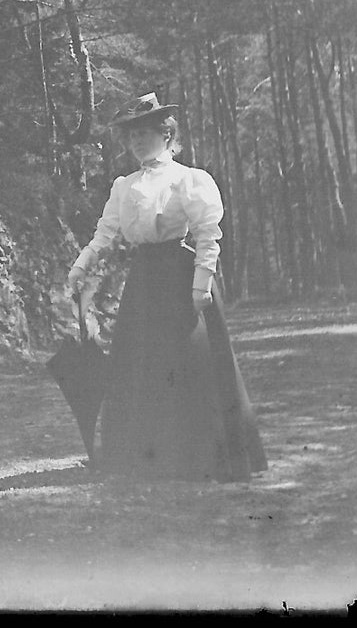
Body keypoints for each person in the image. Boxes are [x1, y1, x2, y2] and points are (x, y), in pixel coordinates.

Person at [67, 93, 267, 482]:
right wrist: (81, 265)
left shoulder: (188, 180)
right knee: (141, 365)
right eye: (132, 136)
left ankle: (202, 456)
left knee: (190, 364)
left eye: (147, 133)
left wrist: (201, 286)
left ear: (167, 134)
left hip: (181, 275)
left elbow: (209, 235)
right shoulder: (124, 187)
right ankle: (145, 457)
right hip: (144, 282)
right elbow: (105, 234)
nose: (139, 142)